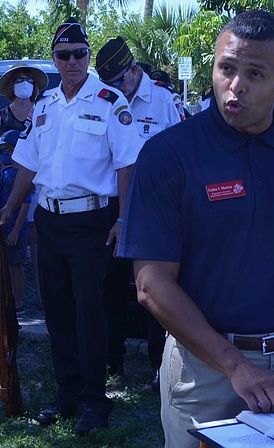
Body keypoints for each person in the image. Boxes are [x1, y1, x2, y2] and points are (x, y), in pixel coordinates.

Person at [119, 10, 274, 448]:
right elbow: (152, 284)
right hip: (207, 370)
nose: (236, 86)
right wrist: (234, 365)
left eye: (255, 73)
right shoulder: (169, 155)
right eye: (226, 69)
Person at [0, 19, 140, 435]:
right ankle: (67, 393)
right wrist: (8, 209)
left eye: (80, 53)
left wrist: (121, 218)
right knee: (56, 311)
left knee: (88, 312)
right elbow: (28, 163)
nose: (72, 61)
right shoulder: (44, 106)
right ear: (55, 60)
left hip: (92, 221)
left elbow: (127, 164)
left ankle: (96, 402)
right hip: (49, 219)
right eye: (64, 55)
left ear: (89, 56)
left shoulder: (110, 101)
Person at [95, 37, 182, 388]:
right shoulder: (103, 101)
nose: (115, 89)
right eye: (109, 84)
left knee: (155, 290)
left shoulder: (162, 100)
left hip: (156, 209)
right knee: (110, 289)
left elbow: (180, 153)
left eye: (119, 81)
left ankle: (158, 367)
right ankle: (111, 360)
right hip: (115, 209)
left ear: (133, 70)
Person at [0, 62, 48, 308]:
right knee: (5, 247)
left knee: (37, 246)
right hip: (10, 185)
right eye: (19, 79)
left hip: (39, 185)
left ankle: (43, 300)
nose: (25, 83)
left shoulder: (42, 111)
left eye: (29, 79)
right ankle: (5, 300)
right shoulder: (0, 115)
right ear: (11, 85)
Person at [0, 129, 32, 313]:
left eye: (5, 150)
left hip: (16, 229)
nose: (1, 155)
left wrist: (15, 230)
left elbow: (25, 204)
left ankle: (18, 303)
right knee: (2, 265)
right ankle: (4, 300)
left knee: (15, 265)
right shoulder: (4, 172)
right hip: (2, 227)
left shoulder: (20, 174)